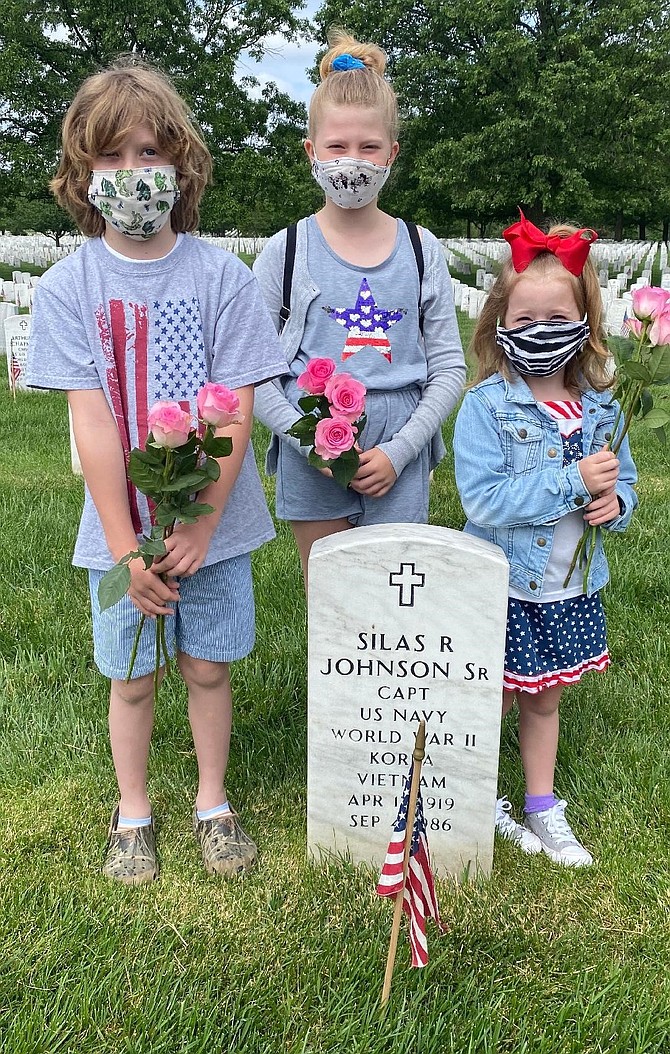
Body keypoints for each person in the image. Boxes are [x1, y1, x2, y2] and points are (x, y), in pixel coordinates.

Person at [26, 58, 288, 885]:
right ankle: (133, 807)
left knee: (208, 664)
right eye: (111, 157)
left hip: (218, 518)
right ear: (81, 173)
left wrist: (203, 523)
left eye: (148, 152)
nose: (132, 173)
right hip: (120, 526)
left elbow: (235, 408)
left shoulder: (221, 278)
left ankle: (213, 799)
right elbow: (94, 419)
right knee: (131, 673)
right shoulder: (70, 286)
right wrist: (125, 547)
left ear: (182, 164)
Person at [453, 211, 638, 867]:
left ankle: (541, 804)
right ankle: (470, 796)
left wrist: (614, 502)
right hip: (503, 586)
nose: (539, 334)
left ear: (584, 323)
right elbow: (483, 499)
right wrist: (570, 481)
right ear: (499, 325)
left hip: (568, 587)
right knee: (494, 694)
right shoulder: (486, 406)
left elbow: (626, 481)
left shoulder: (602, 407)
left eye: (555, 320)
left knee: (544, 697)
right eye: (524, 321)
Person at [253, 28, 466, 585]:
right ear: (311, 152)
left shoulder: (422, 250)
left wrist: (400, 450)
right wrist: (308, 442)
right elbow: (253, 371)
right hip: (312, 447)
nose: (354, 160)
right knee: (333, 603)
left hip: (401, 448)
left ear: (392, 152)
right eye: (338, 147)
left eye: (369, 147)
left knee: (392, 607)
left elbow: (448, 370)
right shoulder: (286, 250)